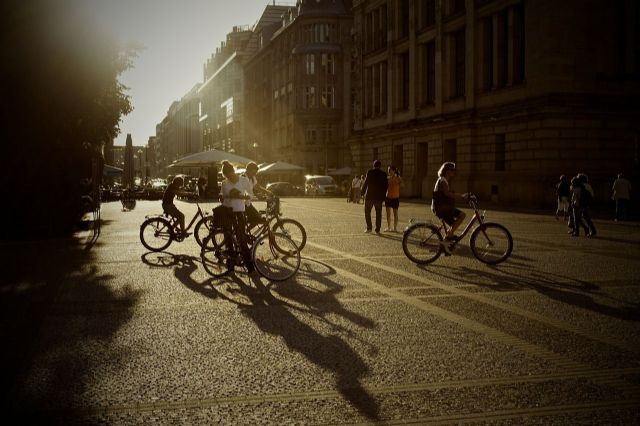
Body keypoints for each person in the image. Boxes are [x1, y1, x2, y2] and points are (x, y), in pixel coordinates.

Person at [220, 160, 255, 273]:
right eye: (227, 176)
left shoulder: (244, 180)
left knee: (242, 239)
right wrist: (228, 195)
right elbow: (222, 197)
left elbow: (250, 195)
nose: (229, 178)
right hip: (227, 211)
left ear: (233, 172)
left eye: (230, 175)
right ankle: (230, 267)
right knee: (228, 239)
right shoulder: (224, 183)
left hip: (239, 212)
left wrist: (244, 197)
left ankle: (250, 268)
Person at [432, 162, 467, 254]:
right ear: (447, 171)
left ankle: (446, 243)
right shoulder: (443, 180)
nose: (454, 172)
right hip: (442, 208)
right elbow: (447, 193)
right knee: (462, 215)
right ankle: (448, 237)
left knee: (453, 224)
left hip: (441, 207)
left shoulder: (443, 179)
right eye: (452, 170)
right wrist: (461, 196)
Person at [361, 160, 388, 234]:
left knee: (367, 212)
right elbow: (386, 186)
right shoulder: (384, 174)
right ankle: (377, 229)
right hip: (379, 197)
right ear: (380, 166)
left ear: (373, 165)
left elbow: (366, 183)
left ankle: (369, 228)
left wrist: (362, 192)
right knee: (378, 213)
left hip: (370, 196)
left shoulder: (370, 172)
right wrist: (383, 195)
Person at [244, 162, 272, 227]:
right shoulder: (242, 178)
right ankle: (243, 234)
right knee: (257, 218)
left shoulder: (253, 178)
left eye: (255, 173)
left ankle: (246, 233)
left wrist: (268, 192)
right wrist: (255, 195)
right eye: (253, 173)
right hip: (242, 204)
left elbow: (257, 187)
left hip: (247, 204)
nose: (254, 174)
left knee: (257, 218)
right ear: (248, 170)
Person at [385, 166, 402, 232]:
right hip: (388, 197)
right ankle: (389, 227)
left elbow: (403, 185)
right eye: (388, 170)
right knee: (388, 214)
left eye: (390, 170)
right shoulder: (387, 178)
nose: (389, 171)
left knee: (395, 214)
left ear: (394, 171)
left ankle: (395, 228)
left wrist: (398, 182)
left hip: (395, 198)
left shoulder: (398, 178)